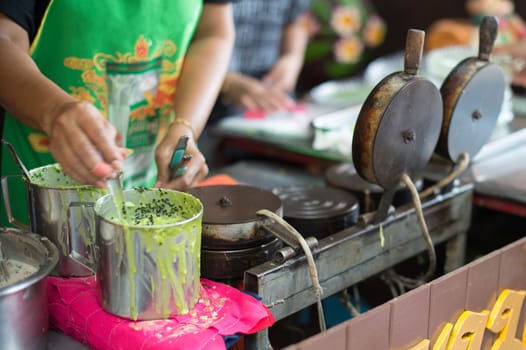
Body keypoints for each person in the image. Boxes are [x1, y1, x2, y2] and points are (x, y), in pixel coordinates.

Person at [0, 0, 235, 227]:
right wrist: (54, 110)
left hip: (149, 168)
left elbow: (212, 33)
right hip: (36, 197)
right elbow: (5, 39)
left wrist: (185, 126)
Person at [199, 0, 313, 167]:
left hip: (272, 105)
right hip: (205, 105)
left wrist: (292, 57)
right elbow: (204, 34)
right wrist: (226, 82)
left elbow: (297, 18)